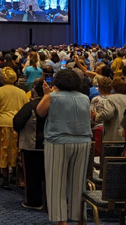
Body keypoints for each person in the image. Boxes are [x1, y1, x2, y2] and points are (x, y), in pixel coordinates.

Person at [36, 69, 91, 225]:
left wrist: (47, 94)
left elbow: (39, 111)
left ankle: (62, 221)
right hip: (82, 141)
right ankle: (79, 218)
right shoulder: (85, 98)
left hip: (58, 141)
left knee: (56, 183)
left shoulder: (52, 97)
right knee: (78, 183)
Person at [0, 67, 29, 189]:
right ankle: (17, 177)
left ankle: (5, 179)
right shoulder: (21, 92)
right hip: (17, 125)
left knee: (4, 152)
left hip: (3, 124)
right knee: (16, 150)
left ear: (2, 79)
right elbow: (26, 108)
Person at [12, 80, 46, 210]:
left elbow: (17, 122)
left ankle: (33, 202)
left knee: (32, 175)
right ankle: (51, 201)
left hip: (31, 144)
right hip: (51, 144)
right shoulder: (55, 104)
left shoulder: (30, 106)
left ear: (35, 92)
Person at [93, 77, 126, 142]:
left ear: (114, 88)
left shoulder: (112, 98)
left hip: (114, 136)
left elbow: (107, 113)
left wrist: (96, 116)